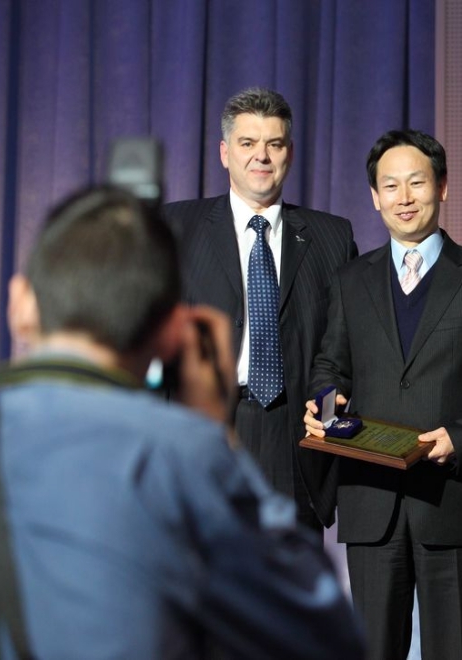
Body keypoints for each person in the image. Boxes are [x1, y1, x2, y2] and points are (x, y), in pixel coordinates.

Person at [0, 186, 364, 659]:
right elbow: (324, 634)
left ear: (20, 304)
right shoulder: (185, 457)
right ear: (172, 332)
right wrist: (217, 435)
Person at [304, 129, 462, 660]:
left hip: (451, 497)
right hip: (370, 499)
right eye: (390, 186)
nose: (404, 197)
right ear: (374, 197)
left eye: (416, 183)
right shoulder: (349, 280)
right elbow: (331, 366)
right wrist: (325, 410)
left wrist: (459, 436)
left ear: (442, 187)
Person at [164, 87, 358, 533]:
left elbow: (343, 346)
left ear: (289, 152)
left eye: (274, 144)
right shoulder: (176, 226)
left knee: (287, 575)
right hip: (203, 434)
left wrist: (328, 414)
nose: (261, 156)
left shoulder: (332, 237)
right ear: (224, 152)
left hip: (296, 439)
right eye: (248, 143)